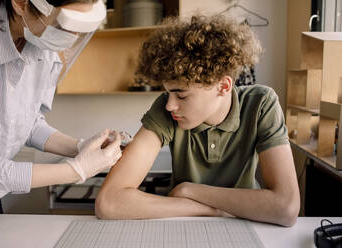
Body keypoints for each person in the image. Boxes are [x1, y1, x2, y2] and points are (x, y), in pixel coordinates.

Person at [95, 15, 300, 227]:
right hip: (187, 223)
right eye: (168, 93)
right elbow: (109, 202)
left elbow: (286, 208)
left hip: (249, 226)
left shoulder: (261, 104)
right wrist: (211, 210)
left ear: (223, 87)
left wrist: (190, 191)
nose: (170, 105)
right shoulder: (166, 109)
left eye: (181, 96)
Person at [0, 0, 122, 214]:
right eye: (62, 26)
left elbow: (27, 123)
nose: (72, 38)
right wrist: (77, 169)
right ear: (21, 3)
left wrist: (79, 147)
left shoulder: (38, 35)